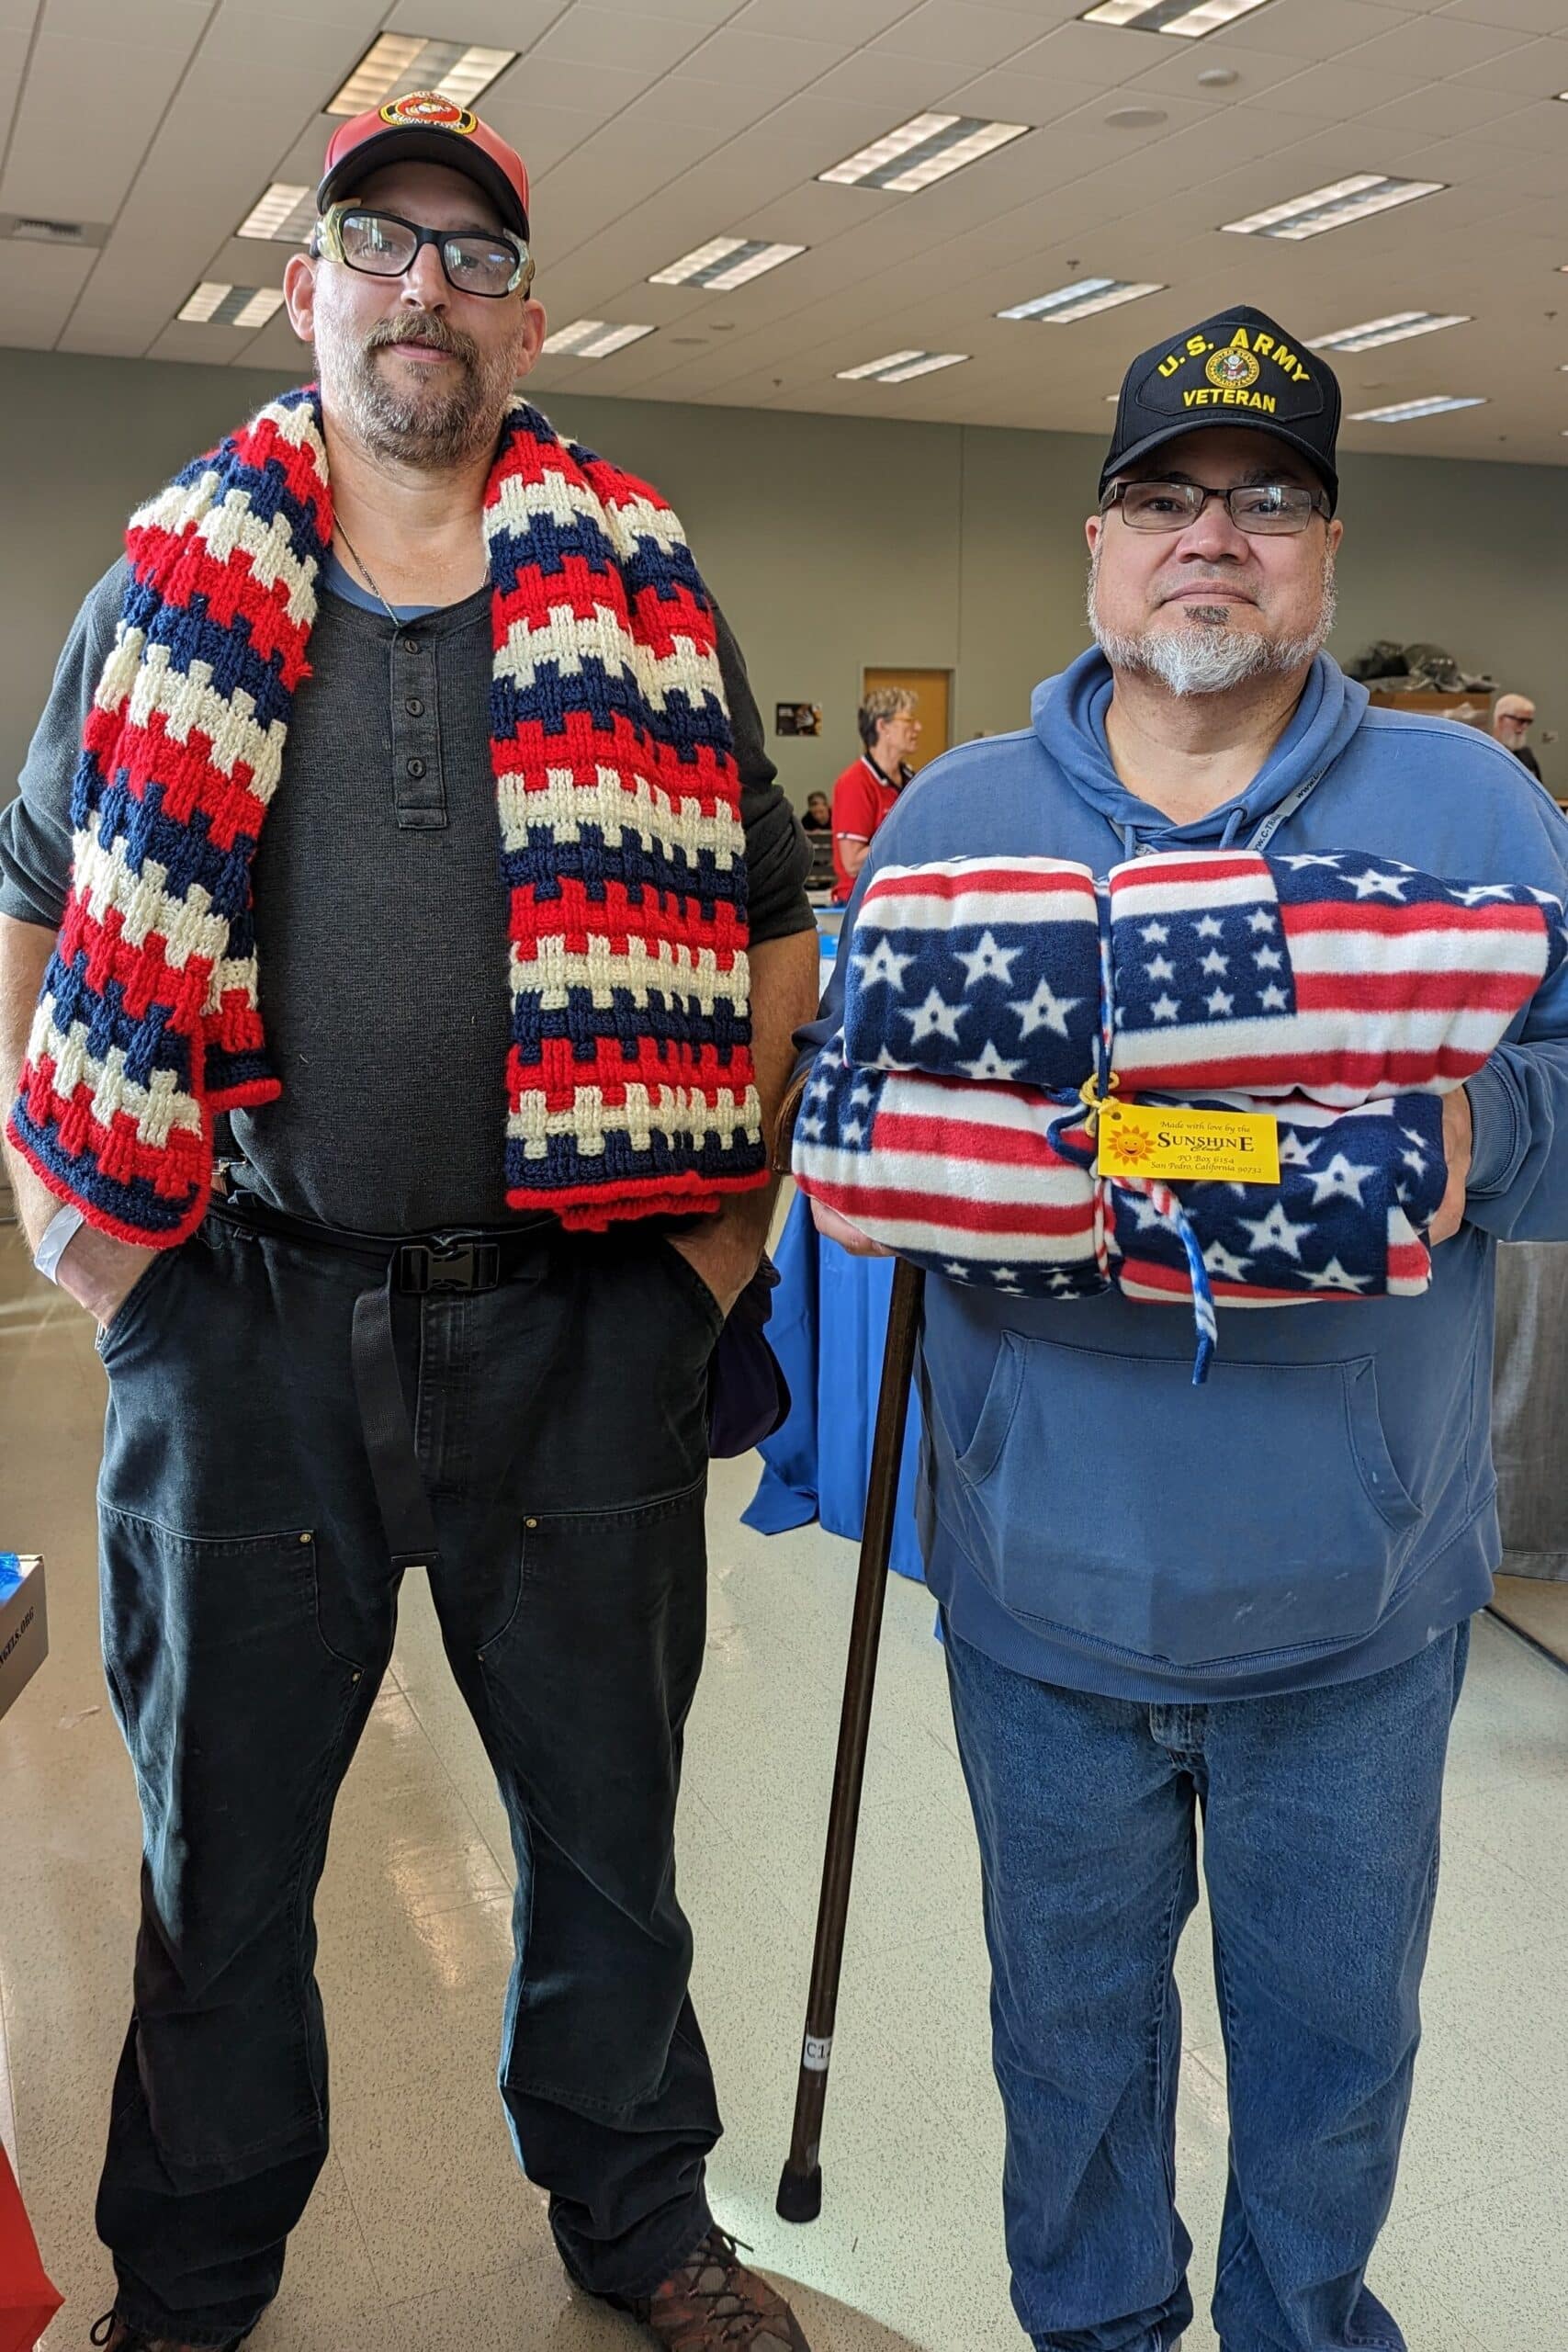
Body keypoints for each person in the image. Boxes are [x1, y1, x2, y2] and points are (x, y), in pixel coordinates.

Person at [0, 93, 819, 2352]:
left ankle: (637, 2213)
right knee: (223, 1858)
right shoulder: (164, 577)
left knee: (603, 1837)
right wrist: (80, 1222)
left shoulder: (641, 581)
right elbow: (34, 894)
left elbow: (773, 911)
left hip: (579, 1326)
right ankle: (193, 2272)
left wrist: (712, 1242)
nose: (422, 289)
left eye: (470, 256)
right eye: (381, 241)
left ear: (524, 318)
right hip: (243, 1312)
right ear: (310, 288)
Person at [798, 304, 1568, 2352]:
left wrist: (1430, 1134)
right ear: (1096, 538)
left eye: (1268, 499)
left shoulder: (1476, 818)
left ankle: (1305, 2329)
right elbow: (855, 1134)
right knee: (1068, 2055)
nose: (1209, 537)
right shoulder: (949, 827)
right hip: (1038, 1602)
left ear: (1321, 552)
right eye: (1165, 496)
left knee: (1329, 2066)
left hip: (1357, 1611)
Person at [830, 687, 921, 901]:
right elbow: (852, 862)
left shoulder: (911, 777)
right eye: (909, 720)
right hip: (863, 905)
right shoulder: (855, 782)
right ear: (883, 726)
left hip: (899, 900)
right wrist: (910, 840)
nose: (918, 727)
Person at [1492, 691, 1543, 781]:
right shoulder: (1484, 751)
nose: (1525, 727)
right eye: (1521, 721)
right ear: (1500, 719)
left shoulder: (1526, 755)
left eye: (1529, 722)